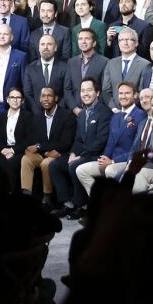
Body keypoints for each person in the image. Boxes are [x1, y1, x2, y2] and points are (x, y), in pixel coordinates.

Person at [48, 78, 114, 219]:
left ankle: (82, 205)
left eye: (89, 90)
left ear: (97, 92)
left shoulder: (104, 112)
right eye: (82, 91)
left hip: (97, 155)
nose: (85, 94)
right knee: (55, 165)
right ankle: (68, 203)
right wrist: (73, 153)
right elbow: (77, 139)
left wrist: (81, 156)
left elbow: (101, 141)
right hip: (83, 154)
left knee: (74, 166)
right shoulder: (82, 113)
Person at [18, 86, 76, 205]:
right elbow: (34, 140)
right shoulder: (37, 117)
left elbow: (65, 143)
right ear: (40, 99)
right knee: (26, 159)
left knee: (46, 163)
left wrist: (40, 147)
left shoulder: (67, 115)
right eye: (43, 96)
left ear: (56, 98)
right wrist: (44, 151)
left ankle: (47, 196)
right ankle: (26, 195)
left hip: (60, 154)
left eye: (49, 96)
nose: (46, 99)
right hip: (44, 153)